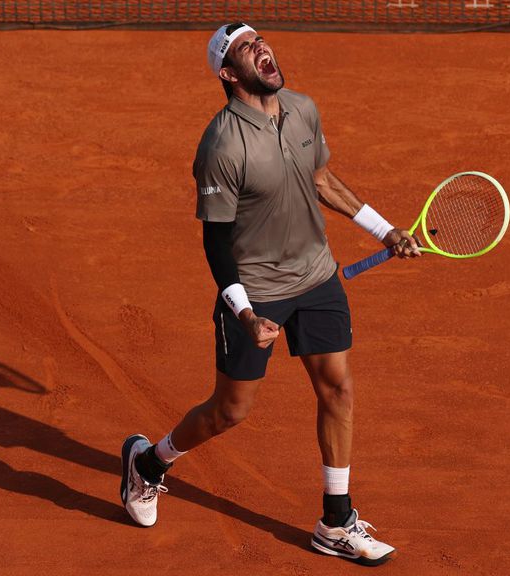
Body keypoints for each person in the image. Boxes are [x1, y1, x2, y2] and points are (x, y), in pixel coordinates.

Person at [120, 23, 420, 566]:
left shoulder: (302, 109)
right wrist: (245, 313)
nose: (261, 47)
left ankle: (335, 522)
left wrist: (385, 231)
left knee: (338, 390)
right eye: (245, 47)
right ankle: (149, 463)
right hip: (255, 291)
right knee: (229, 411)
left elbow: (322, 179)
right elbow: (215, 242)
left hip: (318, 277)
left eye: (260, 40)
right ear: (228, 73)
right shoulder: (221, 144)